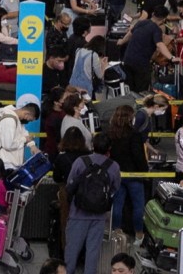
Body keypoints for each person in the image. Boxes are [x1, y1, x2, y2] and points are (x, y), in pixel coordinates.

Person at [64, 133, 122, 274]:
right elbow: (115, 188)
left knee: (71, 251)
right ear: (109, 148)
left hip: (78, 213)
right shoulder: (113, 166)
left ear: (92, 145)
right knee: (93, 252)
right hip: (99, 216)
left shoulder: (80, 161)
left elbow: (70, 184)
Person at [108, 105, 148, 243]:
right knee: (138, 205)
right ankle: (138, 234)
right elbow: (138, 156)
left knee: (117, 205)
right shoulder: (134, 134)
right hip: (134, 175)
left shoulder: (111, 133)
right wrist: (145, 171)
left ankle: (116, 232)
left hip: (117, 174)